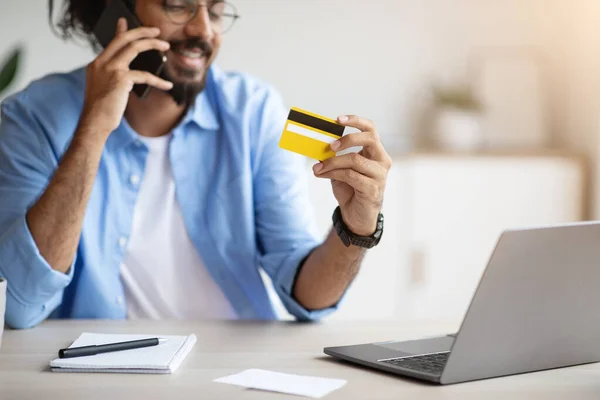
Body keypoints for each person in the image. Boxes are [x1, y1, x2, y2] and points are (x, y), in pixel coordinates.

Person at [0, 0, 392, 329]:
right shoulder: (30, 118)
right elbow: (19, 304)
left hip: (231, 372)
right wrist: (93, 128)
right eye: (177, 5)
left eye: (216, 10)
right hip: (100, 377)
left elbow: (306, 297)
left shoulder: (254, 112)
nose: (203, 30)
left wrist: (356, 227)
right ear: (116, 12)